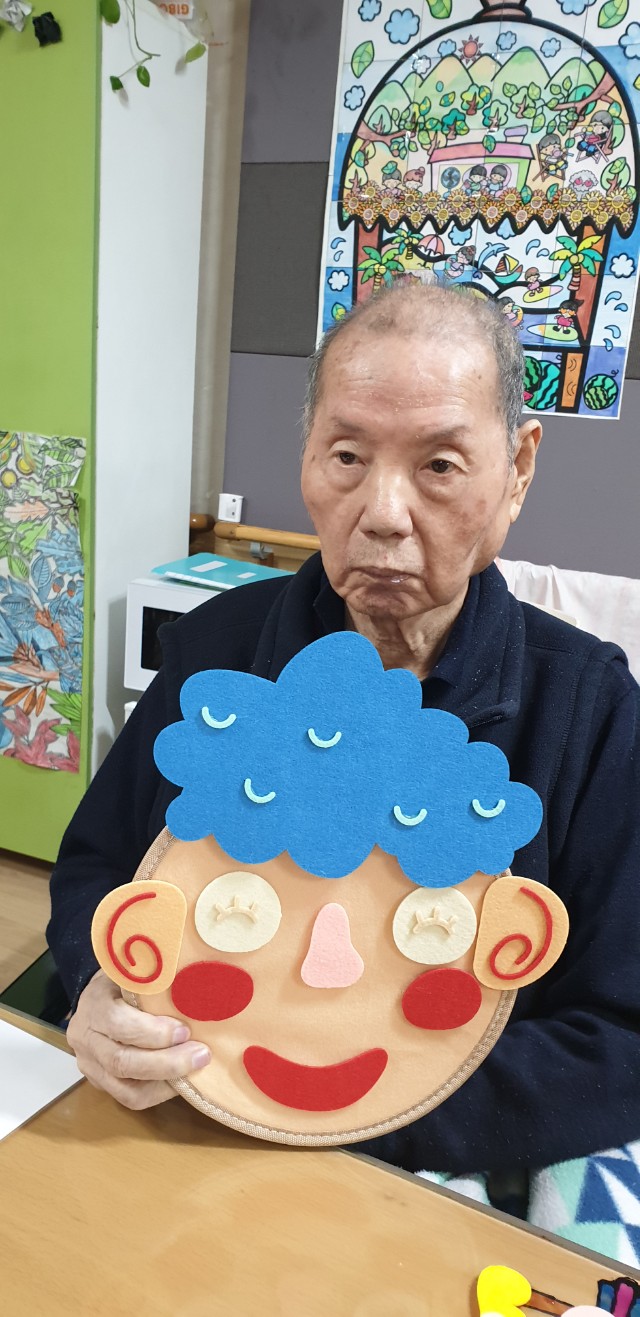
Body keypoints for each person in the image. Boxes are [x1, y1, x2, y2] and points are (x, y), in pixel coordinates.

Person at [48, 283, 640, 1175]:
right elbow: (96, 868)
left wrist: (340, 1105)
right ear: (307, 457)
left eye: (440, 465)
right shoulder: (215, 653)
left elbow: (620, 1037)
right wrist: (98, 989)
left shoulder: (590, 708)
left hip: (433, 1175)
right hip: (182, 1131)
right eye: (348, 455)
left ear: (518, 469)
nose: (383, 512)